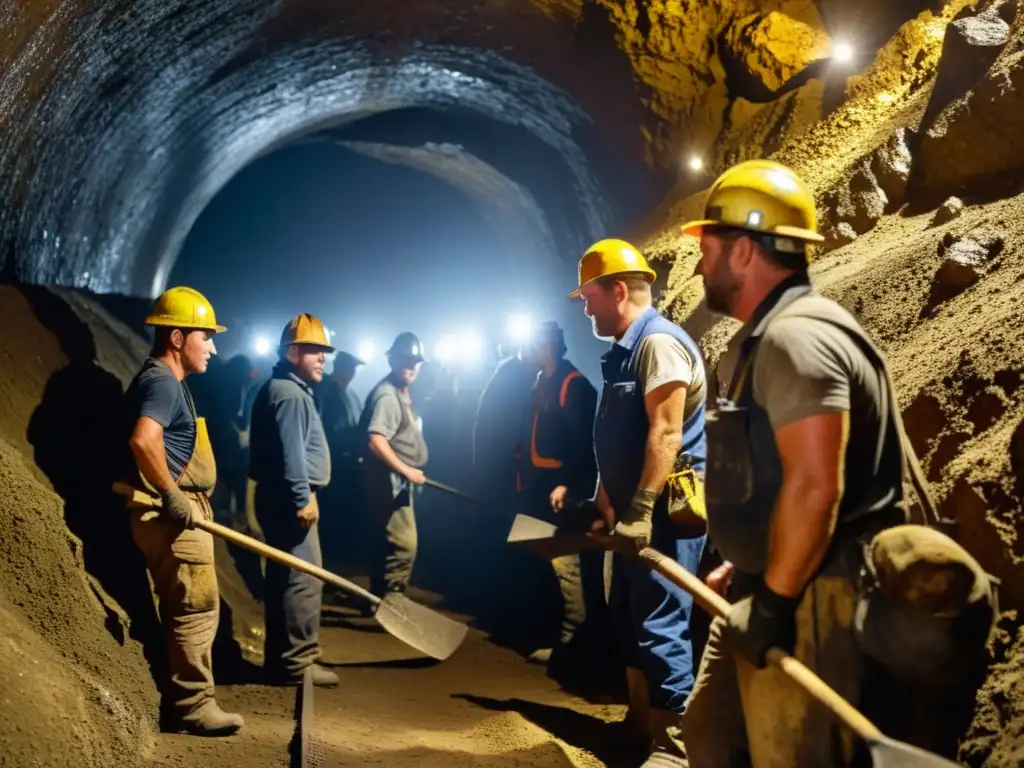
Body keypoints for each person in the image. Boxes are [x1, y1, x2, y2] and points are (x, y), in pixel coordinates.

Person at [675, 159, 985, 766]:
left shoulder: (799, 339)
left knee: (797, 754)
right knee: (711, 732)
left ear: (743, 252)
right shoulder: (772, 337)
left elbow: (817, 487)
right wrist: (750, 566)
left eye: (708, 246)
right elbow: (779, 477)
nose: (699, 262)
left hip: (817, 600)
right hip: (780, 582)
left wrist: (774, 602)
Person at [570, 240, 708, 766]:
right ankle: (640, 722)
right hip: (630, 513)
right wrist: (606, 503)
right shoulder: (625, 351)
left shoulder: (660, 345)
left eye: (589, 299)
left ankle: (673, 745)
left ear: (618, 291)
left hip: (666, 516)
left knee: (660, 620)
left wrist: (642, 509)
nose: (586, 310)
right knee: (627, 616)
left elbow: (666, 433)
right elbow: (618, 439)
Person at [120, 286, 243, 736]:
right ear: (177, 338)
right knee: (194, 607)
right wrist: (172, 494)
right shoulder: (162, 383)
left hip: (179, 510)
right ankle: (193, 706)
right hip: (172, 515)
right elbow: (143, 440)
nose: (213, 346)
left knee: (189, 606)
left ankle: (188, 700)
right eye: (205, 336)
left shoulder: (165, 381)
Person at [248, 313, 338, 687]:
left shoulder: (285, 389)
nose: (323, 358)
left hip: (279, 497)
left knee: (285, 577)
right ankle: (297, 663)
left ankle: (283, 658)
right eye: (315, 351)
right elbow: (292, 455)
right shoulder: (288, 394)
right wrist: (303, 498)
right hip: (290, 500)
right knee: (302, 579)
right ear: (292, 351)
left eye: (324, 352)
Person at [514, 321, 600, 686]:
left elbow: (584, 445)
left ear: (546, 346)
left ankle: (572, 645)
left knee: (568, 567)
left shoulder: (574, 385)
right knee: (542, 561)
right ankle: (554, 637)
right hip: (540, 487)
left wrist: (567, 482)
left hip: (563, 490)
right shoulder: (543, 381)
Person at [360, 332, 429, 597]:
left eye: (415, 361)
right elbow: (376, 440)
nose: (410, 366)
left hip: (394, 482)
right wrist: (407, 470)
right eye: (404, 360)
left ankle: (377, 598)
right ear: (392, 360)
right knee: (404, 544)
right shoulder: (388, 396)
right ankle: (393, 602)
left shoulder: (402, 391)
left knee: (383, 540)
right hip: (389, 483)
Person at [320, 350, 367, 568]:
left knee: (343, 513)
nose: (352, 374)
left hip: (348, 463)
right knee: (332, 513)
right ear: (340, 369)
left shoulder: (349, 394)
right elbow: (327, 429)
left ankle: (341, 558)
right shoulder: (327, 390)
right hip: (334, 462)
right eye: (350, 369)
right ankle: (330, 561)